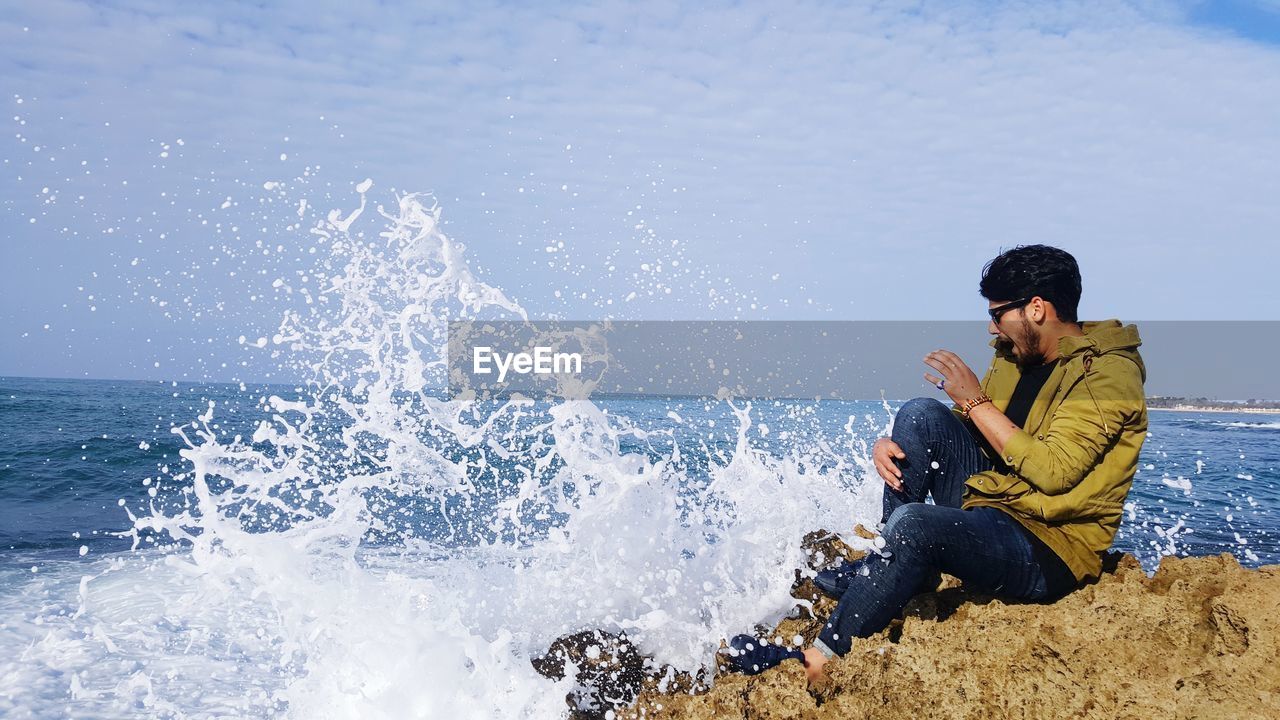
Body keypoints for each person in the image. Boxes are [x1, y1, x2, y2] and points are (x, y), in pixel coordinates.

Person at [722, 245, 1148, 683]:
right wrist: (889, 446)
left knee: (915, 525)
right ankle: (900, 564)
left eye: (999, 313)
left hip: (1048, 548)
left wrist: (975, 400)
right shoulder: (1017, 355)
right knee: (921, 414)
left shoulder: (1108, 375)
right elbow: (985, 430)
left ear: (1036, 309)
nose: (992, 325)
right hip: (997, 504)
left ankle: (820, 660)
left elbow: (1055, 470)